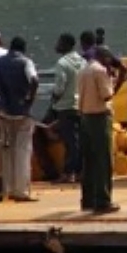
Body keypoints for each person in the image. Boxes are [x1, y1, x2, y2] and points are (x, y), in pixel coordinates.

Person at [0, 36, 39, 202]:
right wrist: (29, 98)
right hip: (22, 111)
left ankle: (8, 187)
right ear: (23, 49)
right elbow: (34, 79)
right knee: (23, 150)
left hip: (4, 110)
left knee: (7, 149)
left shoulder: (0, 61)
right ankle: (21, 190)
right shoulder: (26, 62)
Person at [78, 46, 119, 214]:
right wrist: (115, 80)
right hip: (99, 118)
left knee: (89, 161)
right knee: (103, 161)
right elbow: (106, 96)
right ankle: (102, 201)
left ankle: (87, 199)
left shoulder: (84, 69)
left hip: (85, 117)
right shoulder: (100, 71)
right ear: (105, 58)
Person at [47, 32, 85, 183]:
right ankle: (80, 171)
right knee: (79, 141)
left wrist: (54, 100)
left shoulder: (62, 63)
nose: (57, 45)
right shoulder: (82, 61)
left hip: (65, 107)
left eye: (59, 42)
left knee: (69, 142)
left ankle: (68, 173)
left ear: (65, 45)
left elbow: (59, 87)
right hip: (80, 106)